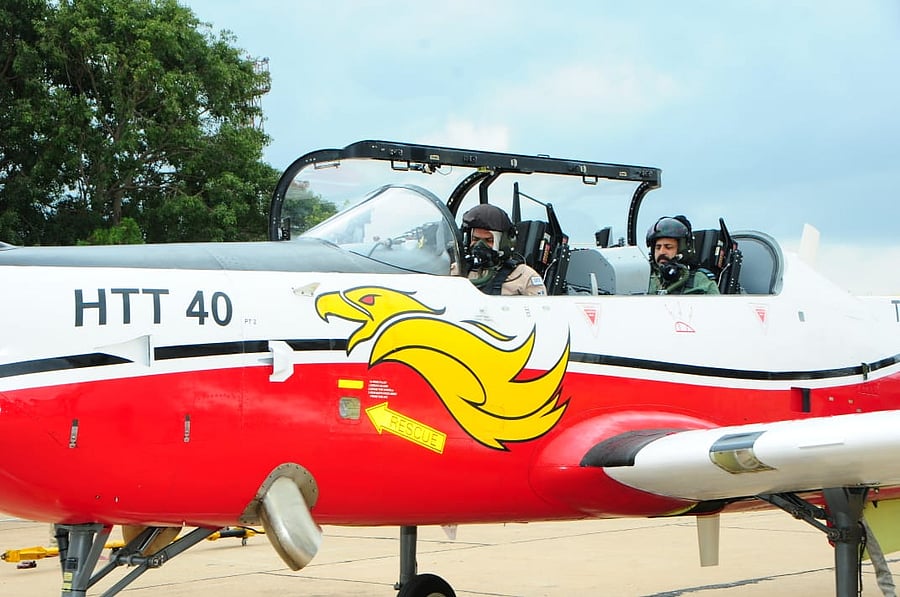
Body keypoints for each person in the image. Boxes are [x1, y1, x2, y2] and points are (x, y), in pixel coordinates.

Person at [455, 204, 546, 296]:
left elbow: (539, 308)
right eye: (475, 239)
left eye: (489, 240)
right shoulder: (456, 271)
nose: (480, 245)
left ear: (504, 243)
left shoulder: (525, 277)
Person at [646, 215, 719, 295]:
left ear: (682, 250)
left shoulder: (701, 282)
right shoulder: (645, 280)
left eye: (668, 247)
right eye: (658, 247)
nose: (662, 252)